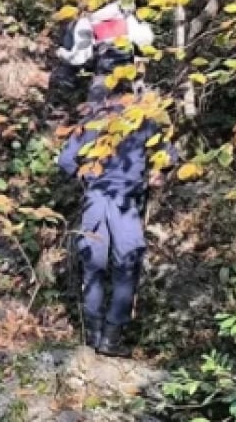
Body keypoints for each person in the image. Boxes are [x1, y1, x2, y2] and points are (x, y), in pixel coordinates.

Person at [57, 84, 175, 357]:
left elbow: (65, 160)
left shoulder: (94, 122)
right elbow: (168, 156)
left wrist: (86, 176)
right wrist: (156, 174)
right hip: (125, 203)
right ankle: (110, 337)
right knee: (126, 266)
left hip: (97, 199)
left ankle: (95, 335)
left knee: (94, 267)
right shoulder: (145, 121)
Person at [49, 0, 155, 107]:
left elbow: (80, 55)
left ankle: (68, 76)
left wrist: (62, 53)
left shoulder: (92, 14)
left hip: (111, 66)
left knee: (98, 107)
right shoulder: (120, 5)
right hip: (126, 64)